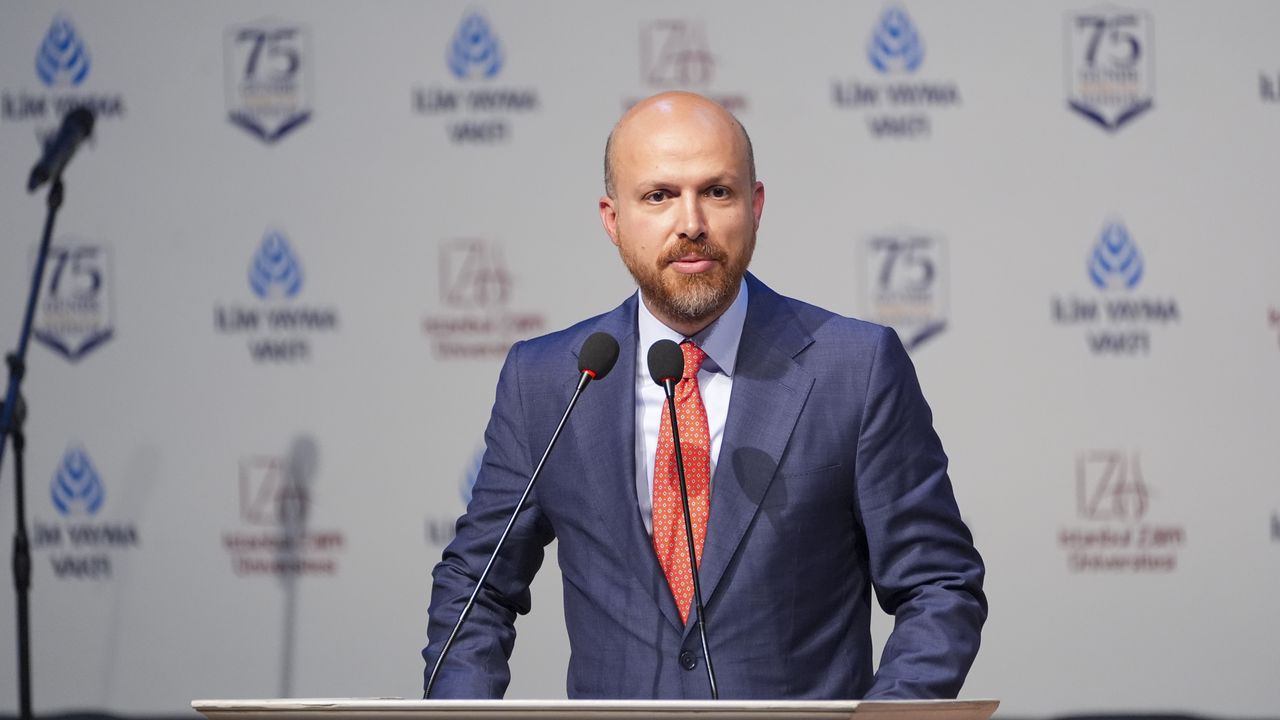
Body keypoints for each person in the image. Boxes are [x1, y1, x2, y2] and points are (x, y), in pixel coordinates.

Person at [423, 91, 986, 700]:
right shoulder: (548, 381)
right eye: (658, 196)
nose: (691, 224)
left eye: (717, 192)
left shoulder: (855, 368)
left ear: (755, 205)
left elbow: (938, 585)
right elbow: (475, 589)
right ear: (612, 220)